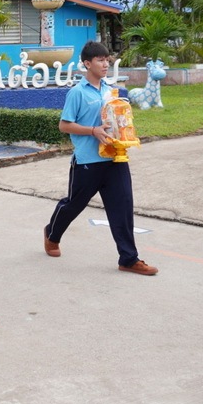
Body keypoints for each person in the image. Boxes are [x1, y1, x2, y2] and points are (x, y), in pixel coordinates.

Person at [43, 41, 158, 276]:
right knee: (74, 204)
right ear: (87, 64)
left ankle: (129, 259)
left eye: (107, 60)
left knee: (122, 207)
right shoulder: (77, 92)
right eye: (100, 60)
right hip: (88, 161)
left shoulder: (110, 90)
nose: (106, 64)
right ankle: (52, 235)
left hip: (115, 158)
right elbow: (64, 125)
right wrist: (93, 130)